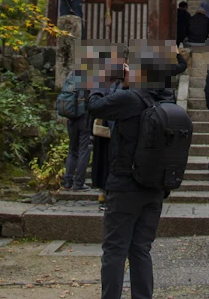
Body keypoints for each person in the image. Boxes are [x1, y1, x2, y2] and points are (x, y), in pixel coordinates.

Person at [86, 52, 179, 299]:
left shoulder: (129, 99)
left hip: (125, 184)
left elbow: (94, 106)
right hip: (155, 187)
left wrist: (101, 81)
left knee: (115, 250)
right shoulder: (169, 101)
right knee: (141, 250)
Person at [90, 54, 126, 207]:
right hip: (109, 129)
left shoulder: (104, 82)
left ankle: (106, 192)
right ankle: (106, 192)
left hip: (110, 128)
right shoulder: (112, 83)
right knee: (106, 161)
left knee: (106, 161)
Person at [57, 58, 92, 192]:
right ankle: (79, 183)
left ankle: (67, 182)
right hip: (84, 117)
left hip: (71, 116)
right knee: (84, 149)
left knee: (72, 149)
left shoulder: (72, 74)